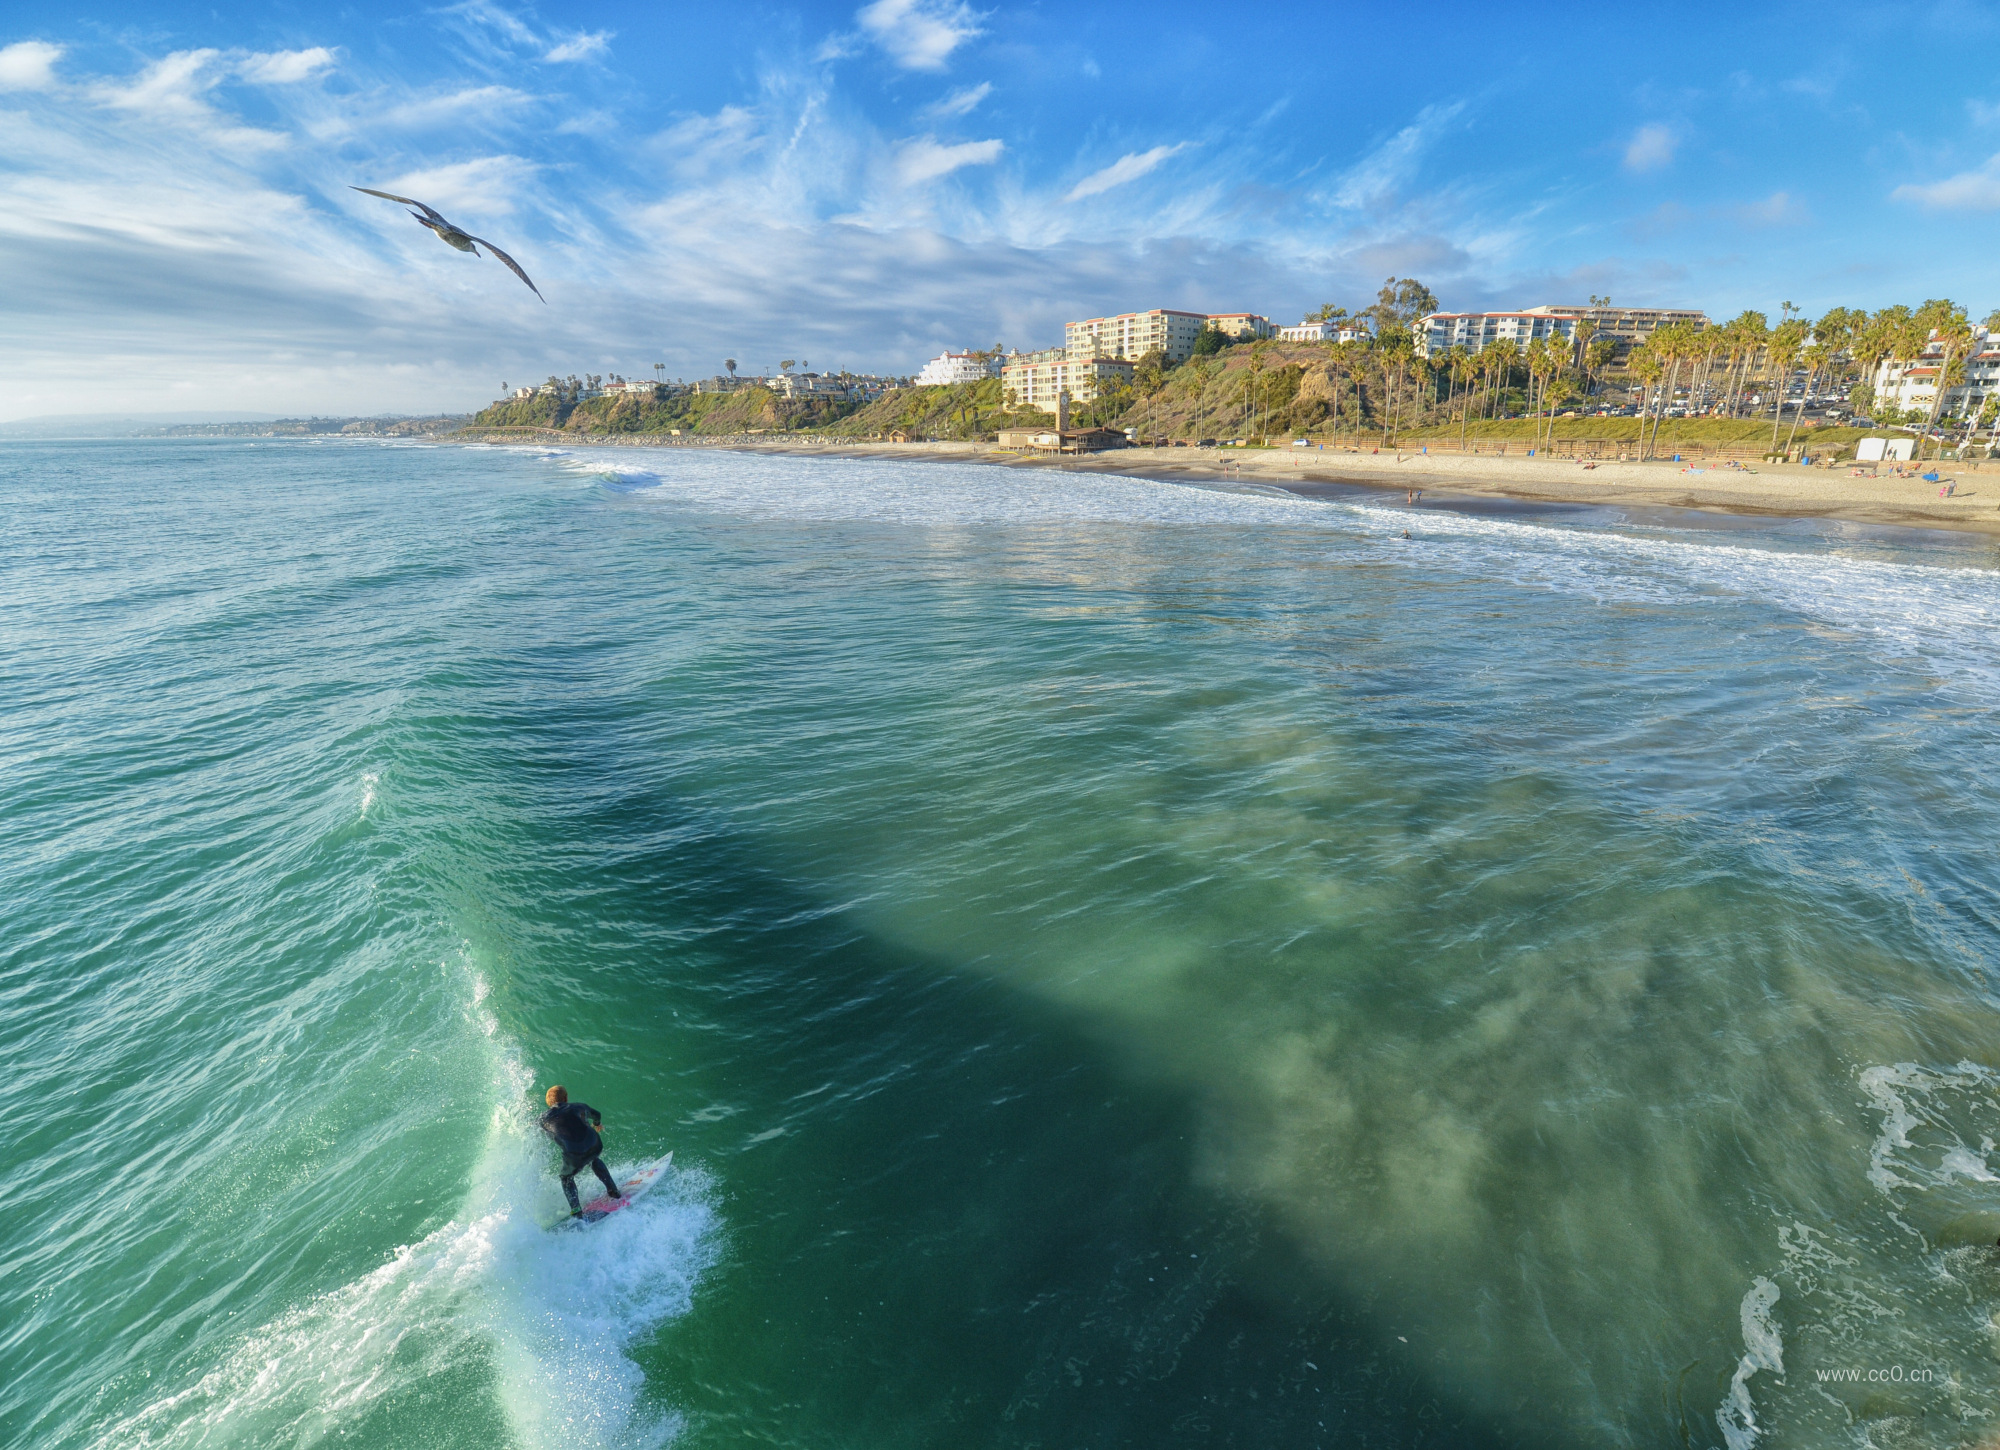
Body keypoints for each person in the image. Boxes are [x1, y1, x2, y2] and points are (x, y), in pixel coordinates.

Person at [540, 1085, 622, 1216]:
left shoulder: (543, 1119)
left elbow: (540, 1133)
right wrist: (597, 1124)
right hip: (595, 1144)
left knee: (566, 1177)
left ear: (548, 1103)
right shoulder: (578, 1106)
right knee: (594, 1159)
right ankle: (614, 1191)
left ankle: (577, 1211)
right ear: (566, 1098)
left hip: (574, 1154)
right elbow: (597, 1115)